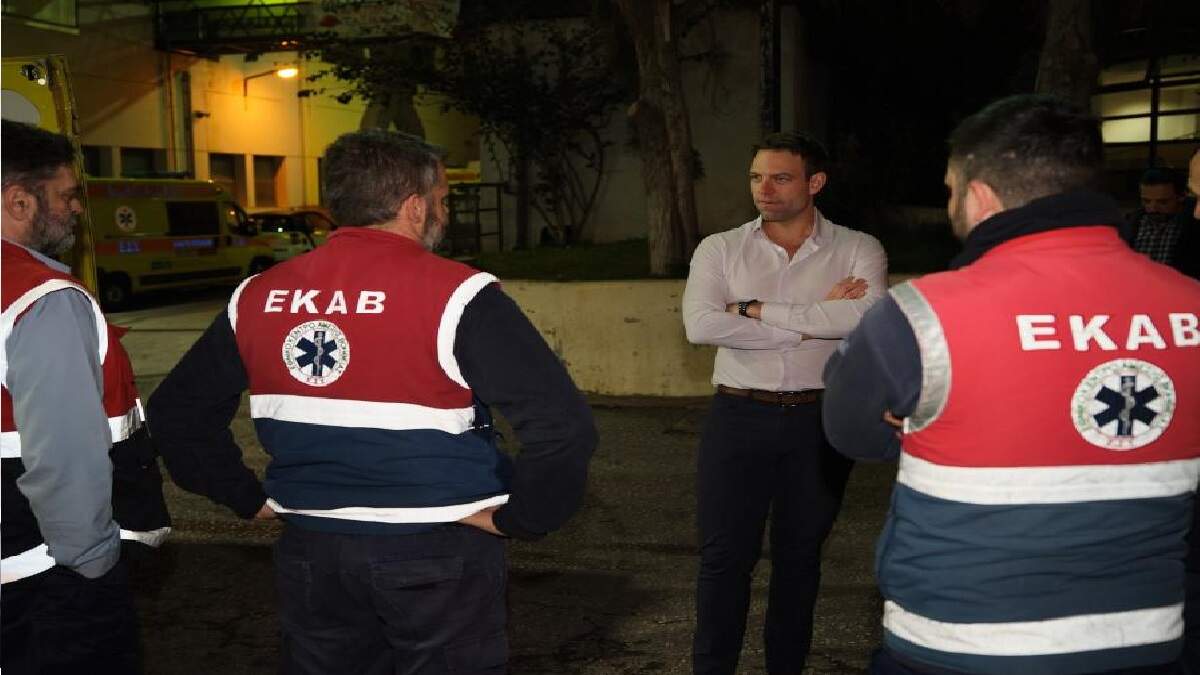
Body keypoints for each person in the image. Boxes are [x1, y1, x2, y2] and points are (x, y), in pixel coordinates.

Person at [146, 129, 596, 674]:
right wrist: (522, 518)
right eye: (442, 200)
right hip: (438, 554)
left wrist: (243, 495)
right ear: (415, 206)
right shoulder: (458, 294)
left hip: (312, 552)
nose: (444, 214)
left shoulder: (258, 294)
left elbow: (176, 413)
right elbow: (563, 428)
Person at [823, 94, 1200, 674]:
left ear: (979, 196)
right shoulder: (1191, 303)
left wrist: (936, 427)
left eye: (950, 190)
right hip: (1144, 640)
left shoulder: (921, 314)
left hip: (961, 644)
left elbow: (851, 431)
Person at [681, 131, 887, 674]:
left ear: (815, 182)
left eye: (780, 177)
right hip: (737, 416)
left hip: (819, 423)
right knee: (724, 560)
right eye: (756, 177)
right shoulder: (720, 248)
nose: (764, 189)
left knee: (799, 560)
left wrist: (751, 309)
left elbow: (865, 317)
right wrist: (813, 320)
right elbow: (700, 326)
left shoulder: (858, 248)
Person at [1, 120, 170, 672]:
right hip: (43, 579)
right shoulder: (42, 298)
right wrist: (93, 564)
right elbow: (64, 457)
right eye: (67, 195)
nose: (77, 209)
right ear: (20, 201)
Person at [1120, 166, 1200, 279]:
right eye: (1146, 201)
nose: (1152, 208)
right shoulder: (1131, 224)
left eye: (1163, 202)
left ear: (1181, 196)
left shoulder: (1193, 225)